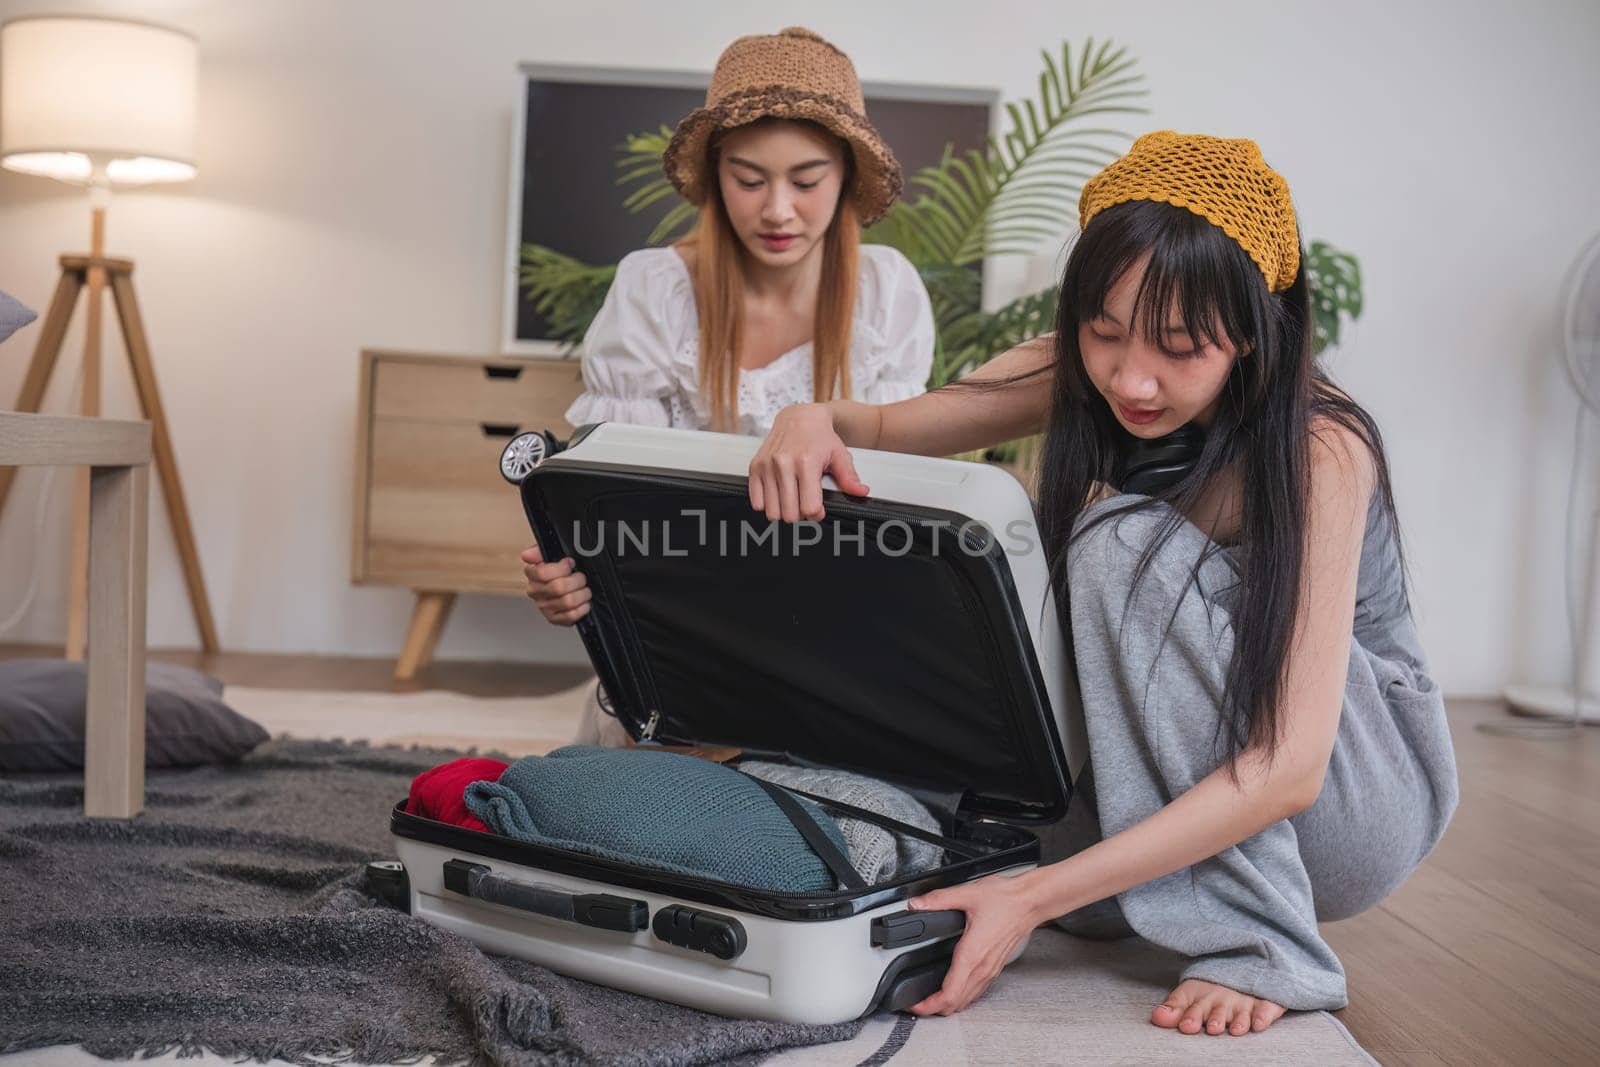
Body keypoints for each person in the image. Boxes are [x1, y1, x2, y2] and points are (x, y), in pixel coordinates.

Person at [747, 131, 1459, 1036]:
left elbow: (1289, 768)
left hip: (1353, 797)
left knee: (1114, 542)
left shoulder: (1322, 449)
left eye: (1178, 347)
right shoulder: (1092, 374)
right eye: (1104, 331)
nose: (1132, 376)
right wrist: (807, 418)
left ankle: (1264, 944)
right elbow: (891, 422)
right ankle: (1134, 884)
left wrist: (1035, 895)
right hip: (1181, 770)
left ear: (1252, 329)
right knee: (956, 827)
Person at [523, 26, 934, 633]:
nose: (776, 211)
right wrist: (570, 576)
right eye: (748, 180)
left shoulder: (887, 293)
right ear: (716, 176)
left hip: (843, 612)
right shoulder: (655, 290)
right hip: (682, 617)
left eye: (805, 181)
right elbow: (612, 504)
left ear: (845, 176)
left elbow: (900, 499)